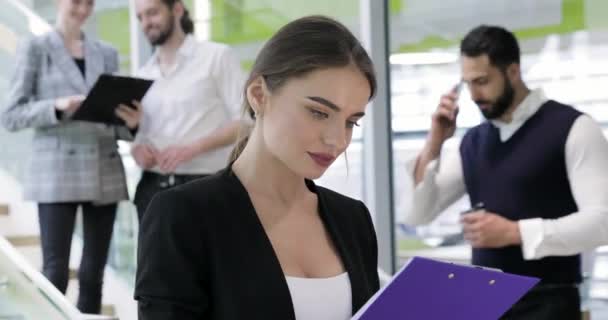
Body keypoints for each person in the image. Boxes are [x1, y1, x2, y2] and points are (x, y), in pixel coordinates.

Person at [134, 15, 379, 320]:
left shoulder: (353, 220)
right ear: (259, 95)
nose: (337, 140)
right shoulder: (183, 216)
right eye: (318, 112)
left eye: (351, 122)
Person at [404, 25, 608, 320]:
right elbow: (417, 215)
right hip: (485, 302)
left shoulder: (574, 128)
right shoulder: (473, 141)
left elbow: (602, 221)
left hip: (548, 304)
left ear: (513, 71)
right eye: (468, 83)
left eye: (483, 81)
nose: (474, 95)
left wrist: (514, 232)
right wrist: (435, 142)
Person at [0, 0, 141, 314]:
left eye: (89, 3)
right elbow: (10, 115)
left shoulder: (106, 52)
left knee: (93, 275)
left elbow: (112, 115)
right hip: (55, 172)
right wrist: (57, 106)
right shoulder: (35, 48)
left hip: (103, 168)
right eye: (77, 2)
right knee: (55, 272)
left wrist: (131, 123)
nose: (83, 10)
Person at [131, 0, 246, 221]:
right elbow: (141, 134)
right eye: (140, 17)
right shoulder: (142, 75)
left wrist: (192, 149)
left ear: (177, 9)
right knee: (152, 257)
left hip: (207, 185)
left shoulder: (216, 56)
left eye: (152, 13)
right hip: (152, 188)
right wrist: (137, 150)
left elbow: (246, 121)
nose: (146, 23)